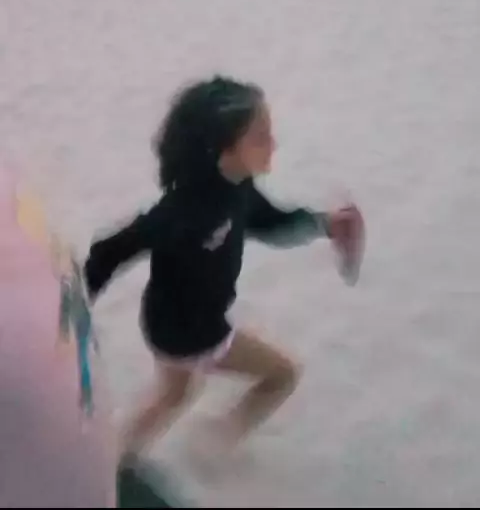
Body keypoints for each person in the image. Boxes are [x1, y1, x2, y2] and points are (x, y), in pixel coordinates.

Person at [84, 76, 365, 469]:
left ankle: (116, 456)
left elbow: (271, 222)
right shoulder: (187, 209)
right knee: (282, 375)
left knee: (174, 393)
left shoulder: (237, 188)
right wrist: (78, 305)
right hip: (193, 332)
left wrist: (324, 223)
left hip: (164, 321)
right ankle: (215, 445)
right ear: (224, 147)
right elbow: (113, 249)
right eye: (260, 136)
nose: (273, 144)